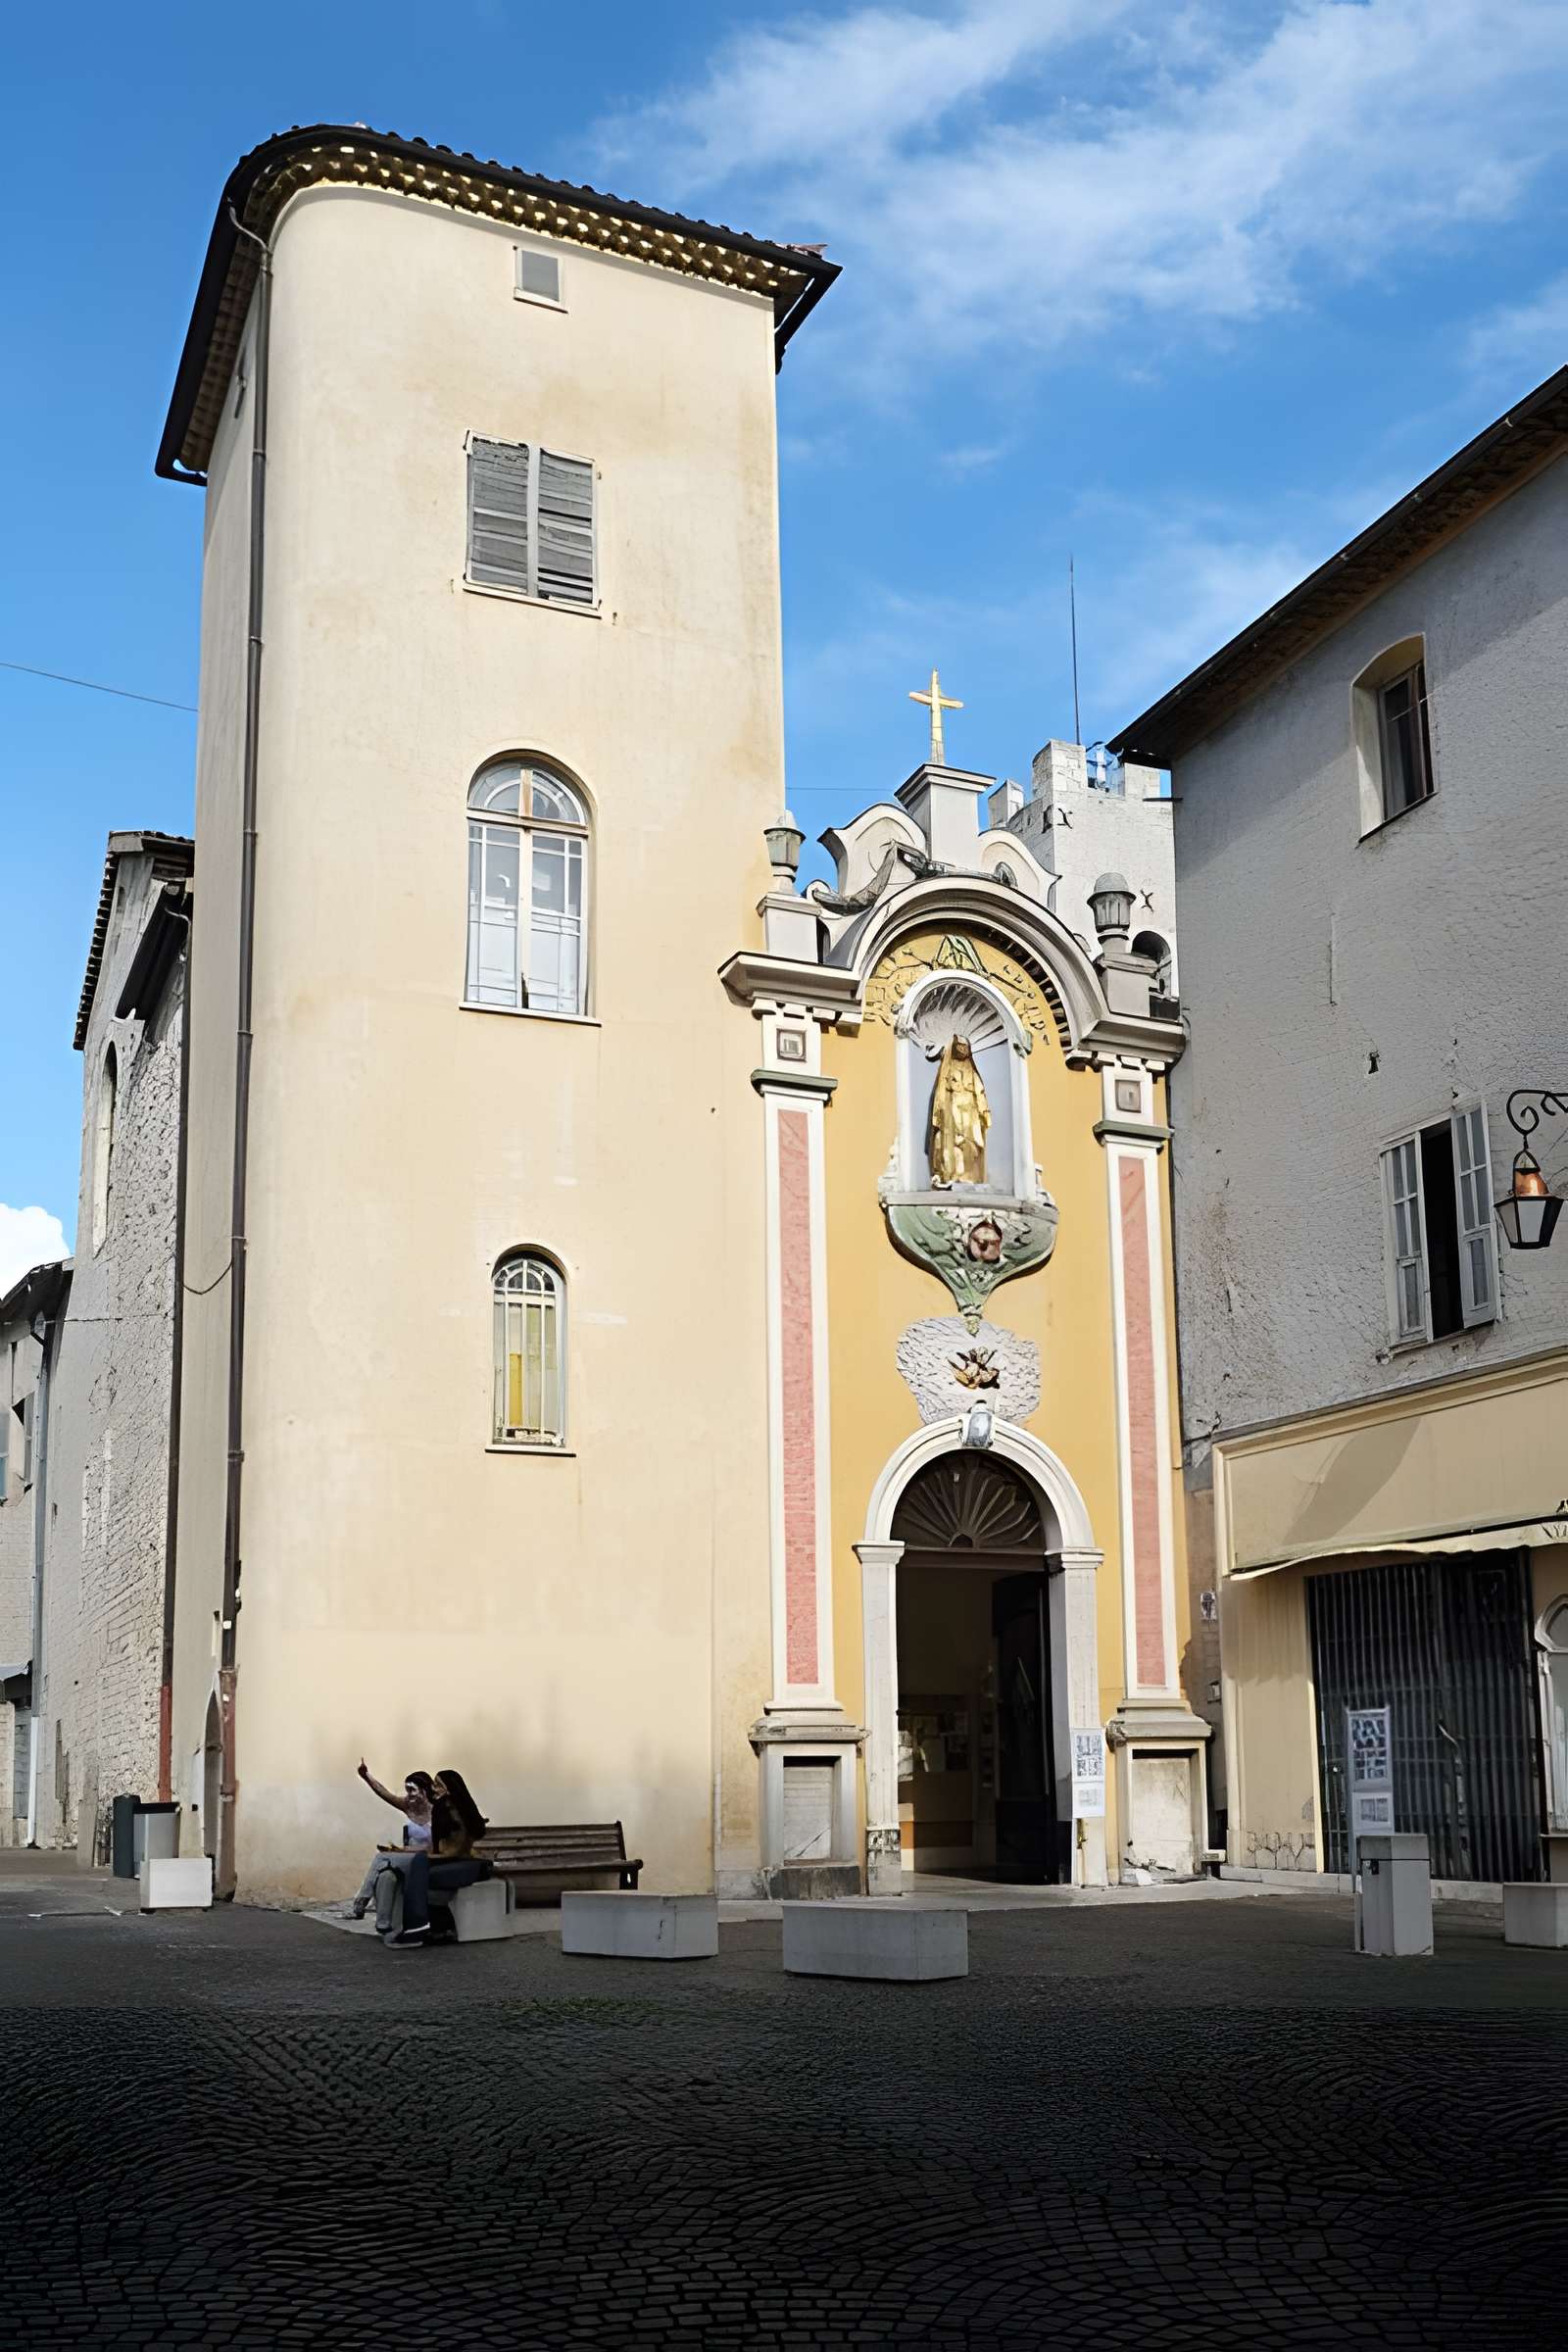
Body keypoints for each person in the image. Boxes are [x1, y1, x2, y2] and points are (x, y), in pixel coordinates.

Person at [380, 1768, 490, 1948]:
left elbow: (453, 1852)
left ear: (450, 1788)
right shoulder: (443, 1810)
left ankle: (417, 1926)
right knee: (419, 1869)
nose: (435, 1789)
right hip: (451, 1862)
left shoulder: (457, 1811)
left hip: (466, 1864)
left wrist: (428, 1856)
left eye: (439, 1785)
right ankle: (429, 1927)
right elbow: (441, 1849)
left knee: (419, 1865)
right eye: (434, 1785)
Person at [348, 1762, 434, 1919]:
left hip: (429, 1857)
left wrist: (401, 1851)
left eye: (412, 1790)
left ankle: (361, 1903)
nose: (409, 1795)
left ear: (424, 1790)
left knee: (381, 1858)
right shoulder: (408, 1806)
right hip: (410, 1856)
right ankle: (364, 1904)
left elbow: (436, 1847)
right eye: (407, 1790)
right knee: (382, 1862)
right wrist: (367, 1777)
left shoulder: (437, 1809)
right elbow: (383, 1793)